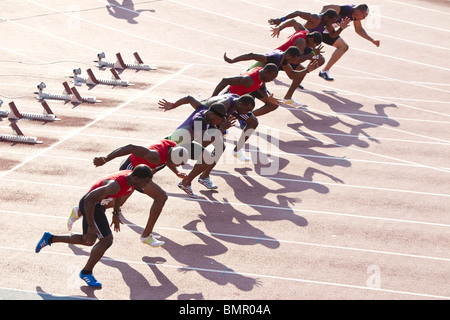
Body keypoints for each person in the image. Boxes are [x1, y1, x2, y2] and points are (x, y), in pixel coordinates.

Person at [36, 164, 154, 287]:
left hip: (97, 205)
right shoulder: (114, 185)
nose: (146, 185)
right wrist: (92, 226)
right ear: (136, 178)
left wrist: (115, 212)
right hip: (91, 205)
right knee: (106, 240)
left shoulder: (131, 181)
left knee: (87, 240)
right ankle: (86, 272)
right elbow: (89, 199)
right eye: (145, 182)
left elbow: (120, 194)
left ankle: (50, 238)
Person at [67, 140, 189, 248]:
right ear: (172, 158)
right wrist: (105, 159)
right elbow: (130, 147)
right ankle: (146, 236)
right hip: (132, 174)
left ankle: (80, 210)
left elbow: (167, 160)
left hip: (141, 176)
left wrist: (176, 172)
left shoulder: (172, 148)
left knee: (117, 202)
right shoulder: (154, 156)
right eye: (178, 164)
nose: (179, 166)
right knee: (161, 197)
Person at [270, 5, 379, 81]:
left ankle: (322, 71)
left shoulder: (346, 19)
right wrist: (281, 20)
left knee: (340, 48)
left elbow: (352, 31)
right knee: (296, 54)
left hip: (322, 32)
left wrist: (341, 28)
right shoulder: (340, 10)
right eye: (364, 16)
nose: (364, 19)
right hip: (309, 33)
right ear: (359, 11)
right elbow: (322, 8)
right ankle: (278, 65)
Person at [159, 100, 233, 198]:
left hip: (183, 144)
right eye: (219, 119)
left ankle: (187, 183)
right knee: (152, 165)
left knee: (211, 155)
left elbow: (189, 98)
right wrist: (221, 130)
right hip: (169, 146)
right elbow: (201, 143)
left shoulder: (205, 112)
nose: (219, 122)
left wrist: (173, 105)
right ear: (211, 114)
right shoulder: (199, 120)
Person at [160, 93, 256, 162]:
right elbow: (203, 140)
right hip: (206, 118)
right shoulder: (220, 108)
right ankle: (185, 154)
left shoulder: (237, 102)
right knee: (207, 144)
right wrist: (173, 105)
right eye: (247, 110)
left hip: (213, 115)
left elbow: (189, 98)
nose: (247, 113)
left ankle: (236, 151)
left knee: (253, 122)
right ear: (240, 104)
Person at [224, 46, 319, 108]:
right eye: (295, 60)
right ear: (289, 56)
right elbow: (252, 55)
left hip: (259, 83)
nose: (295, 62)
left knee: (270, 104)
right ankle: (242, 118)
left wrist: (307, 70)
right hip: (249, 79)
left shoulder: (284, 59)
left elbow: (292, 75)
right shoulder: (274, 57)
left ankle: (243, 118)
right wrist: (232, 60)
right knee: (236, 101)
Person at [211, 63, 281, 117]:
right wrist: (213, 97)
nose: (272, 80)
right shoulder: (249, 80)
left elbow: (262, 87)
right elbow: (225, 80)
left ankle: (246, 116)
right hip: (232, 99)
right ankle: (242, 116)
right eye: (272, 77)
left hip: (248, 92)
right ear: (266, 71)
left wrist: (268, 96)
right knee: (219, 119)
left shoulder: (261, 72)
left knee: (274, 104)